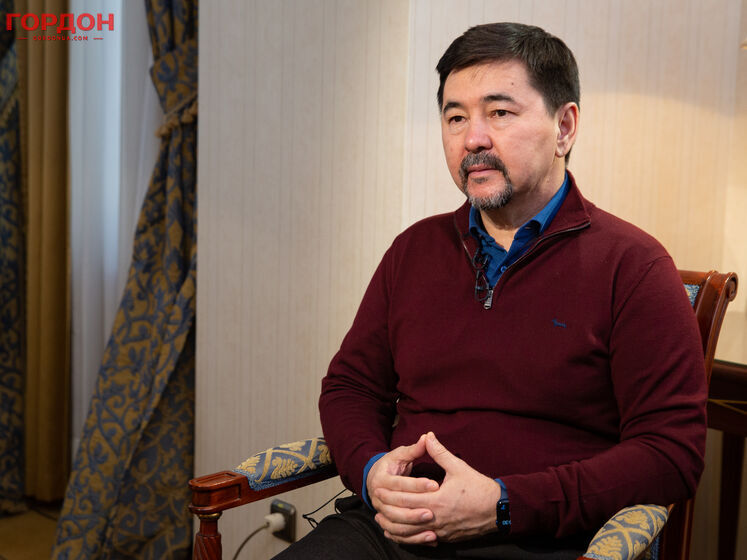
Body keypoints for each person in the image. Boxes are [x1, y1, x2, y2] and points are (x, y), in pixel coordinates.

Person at [274, 22, 706, 560]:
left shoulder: (633, 266)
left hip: (538, 538)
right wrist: (370, 470)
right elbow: (351, 387)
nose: (472, 139)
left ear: (564, 127)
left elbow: (671, 453)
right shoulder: (414, 250)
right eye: (455, 117)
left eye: (499, 112)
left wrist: (504, 503)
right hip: (390, 532)